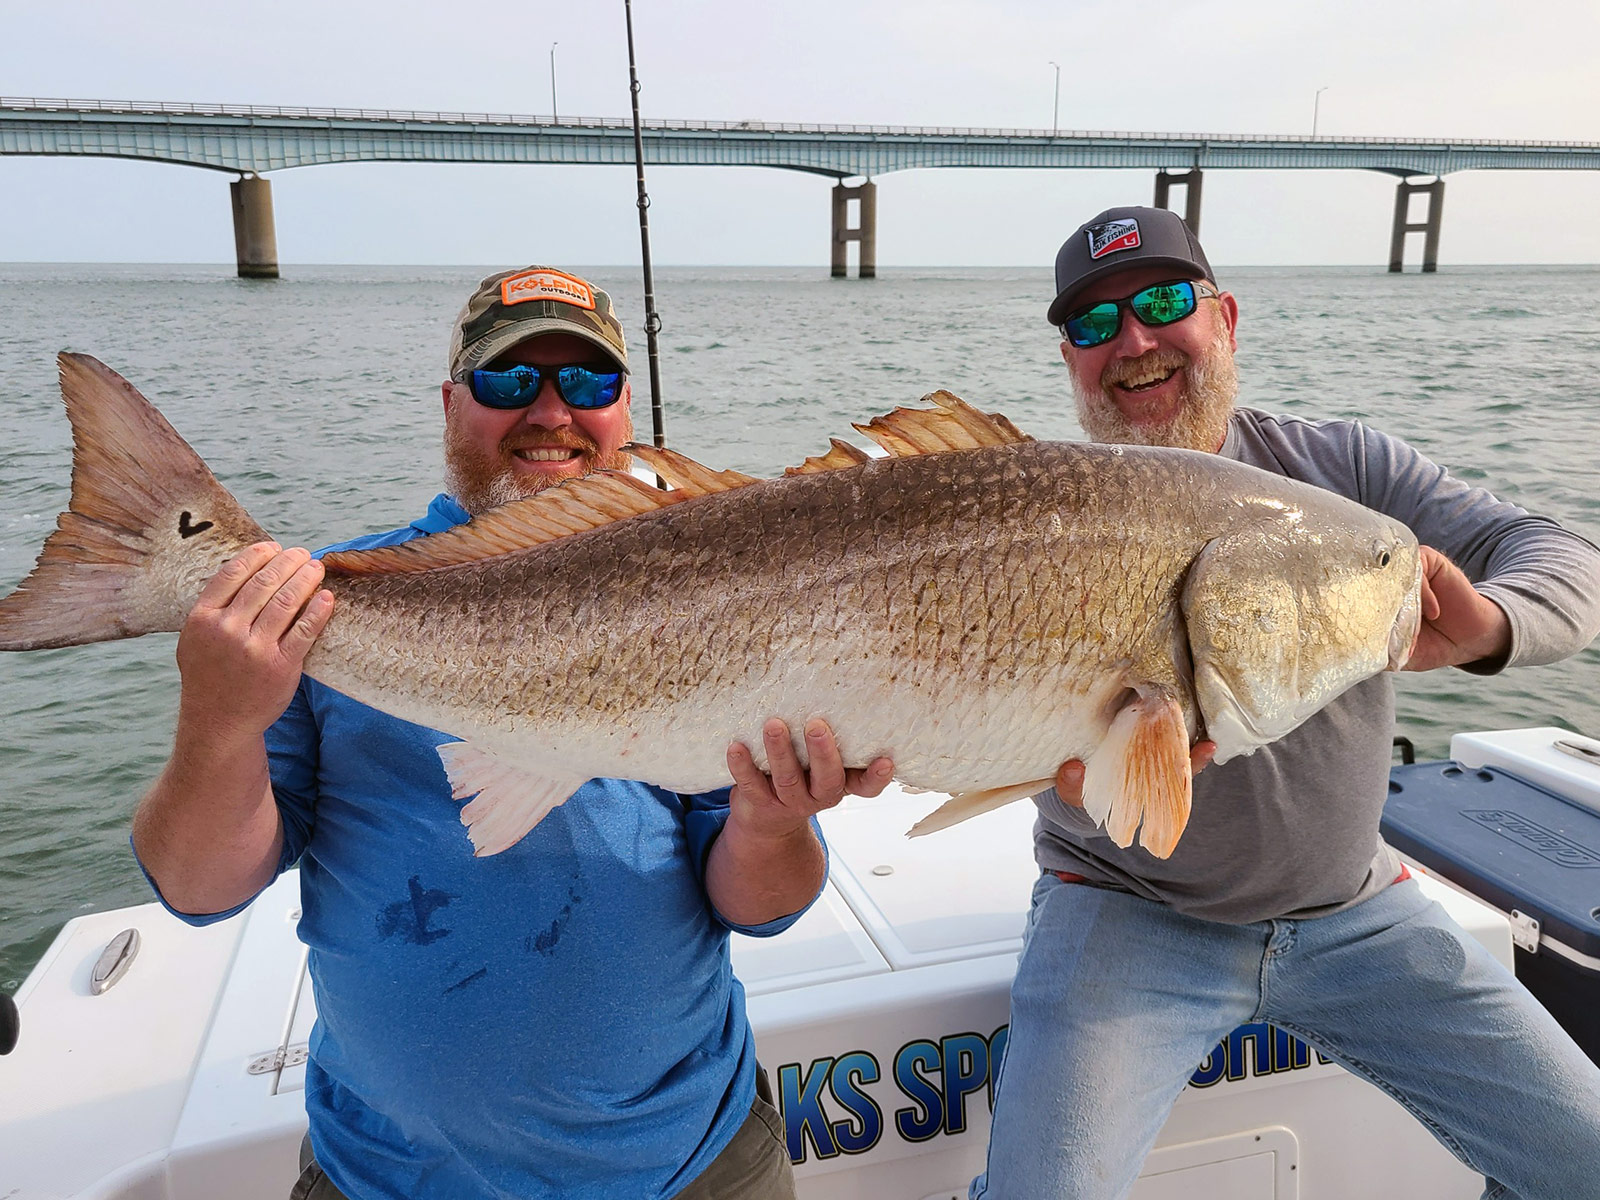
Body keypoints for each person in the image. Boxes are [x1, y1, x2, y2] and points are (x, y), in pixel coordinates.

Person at [129, 265, 893, 1200]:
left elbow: (763, 907)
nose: (550, 412)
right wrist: (217, 719)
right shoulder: (325, 604)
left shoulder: (722, 591)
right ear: (452, 404)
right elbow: (201, 889)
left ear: (622, 410)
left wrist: (772, 823)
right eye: (506, 382)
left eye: (587, 383)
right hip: (384, 1178)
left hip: (693, 1165)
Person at [971, 208, 1600, 1200]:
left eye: (1163, 303)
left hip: (1358, 908)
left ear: (1224, 319)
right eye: (1094, 326)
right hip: (1126, 912)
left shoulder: (1348, 476)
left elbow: (1567, 557)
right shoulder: (1031, 511)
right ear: (1069, 361)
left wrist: (1489, 629)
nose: (1131, 341)